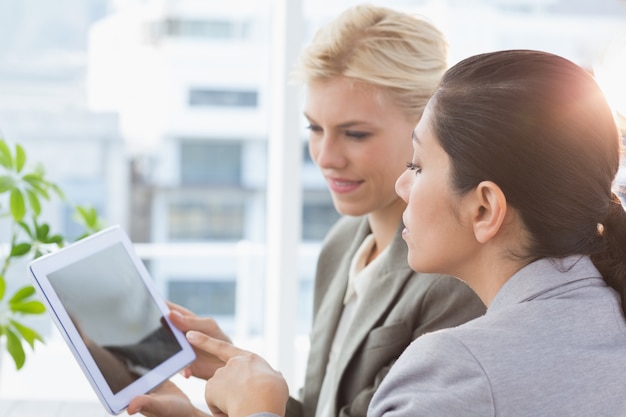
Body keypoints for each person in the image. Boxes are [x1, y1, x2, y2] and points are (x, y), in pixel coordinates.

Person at [176, 49, 626, 417]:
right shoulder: (607, 314)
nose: (401, 184)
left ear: (485, 207)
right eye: (315, 128)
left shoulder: (455, 369)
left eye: (417, 164)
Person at [127, 4, 485, 417]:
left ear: (428, 127)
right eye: (315, 128)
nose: (326, 157)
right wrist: (237, 373)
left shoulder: (455, 276)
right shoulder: (342, 243)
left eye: (355, 133)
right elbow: (325, 411)